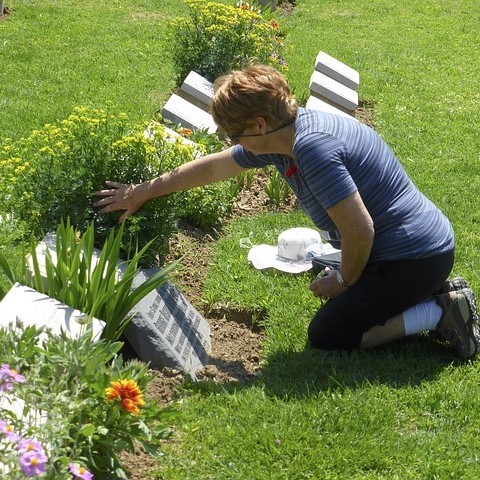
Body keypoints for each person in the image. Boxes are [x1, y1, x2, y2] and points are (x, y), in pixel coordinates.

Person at [94, 64, 480, 360]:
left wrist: (344, 280)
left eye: (235, 134)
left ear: (259, 124)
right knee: (348, 300)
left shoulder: (313, 149)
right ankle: (424, 294)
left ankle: (439, 310)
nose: (233, 142)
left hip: (412, 256)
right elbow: (216, 167)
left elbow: (360, 231)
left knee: (329, 335)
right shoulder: (288, 135)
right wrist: (143, 191)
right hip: (415, 248)